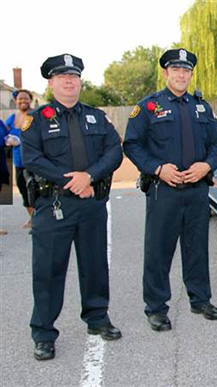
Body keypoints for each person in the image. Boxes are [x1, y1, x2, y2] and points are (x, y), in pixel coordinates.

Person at [21, 54, 123, 361]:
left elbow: (114, 151)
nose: (69, 81)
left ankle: (97, 318)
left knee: (95, 265)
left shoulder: (96, 117)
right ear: (51, 83)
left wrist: (89, 176)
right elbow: (32, 158)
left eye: (74, 76)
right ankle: (43, 333)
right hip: (54, 206)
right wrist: (72, 181)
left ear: (80, 81)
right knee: (49, 272)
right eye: (62, 77)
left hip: (91, 202)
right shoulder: (37, 120)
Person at [123, 48, 217, 331]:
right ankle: (156, 308)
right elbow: (131, 144)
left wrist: (207, 166)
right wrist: (157, 168)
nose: (181, 75)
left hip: (196, 189)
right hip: (163, 189)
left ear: (191, 74)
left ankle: (200, 299)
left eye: (186, 70)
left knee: (197, 248)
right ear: (166, 73)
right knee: (158, 250)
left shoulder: (201, 107)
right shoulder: (148, 107)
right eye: (176, 70)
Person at [6, 89, 35, 229]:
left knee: (39, 190)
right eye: (20, 99)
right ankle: (32, 218)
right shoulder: (12, 118)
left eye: (26, 99)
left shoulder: (36, 115)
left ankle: (42, 218)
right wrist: (8, 140)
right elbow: (3, 134)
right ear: (16, 102)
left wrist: (21, 141)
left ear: (31, 100)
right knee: (24, 190)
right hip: (19, 161)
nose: (23, 101)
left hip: (36, 162)